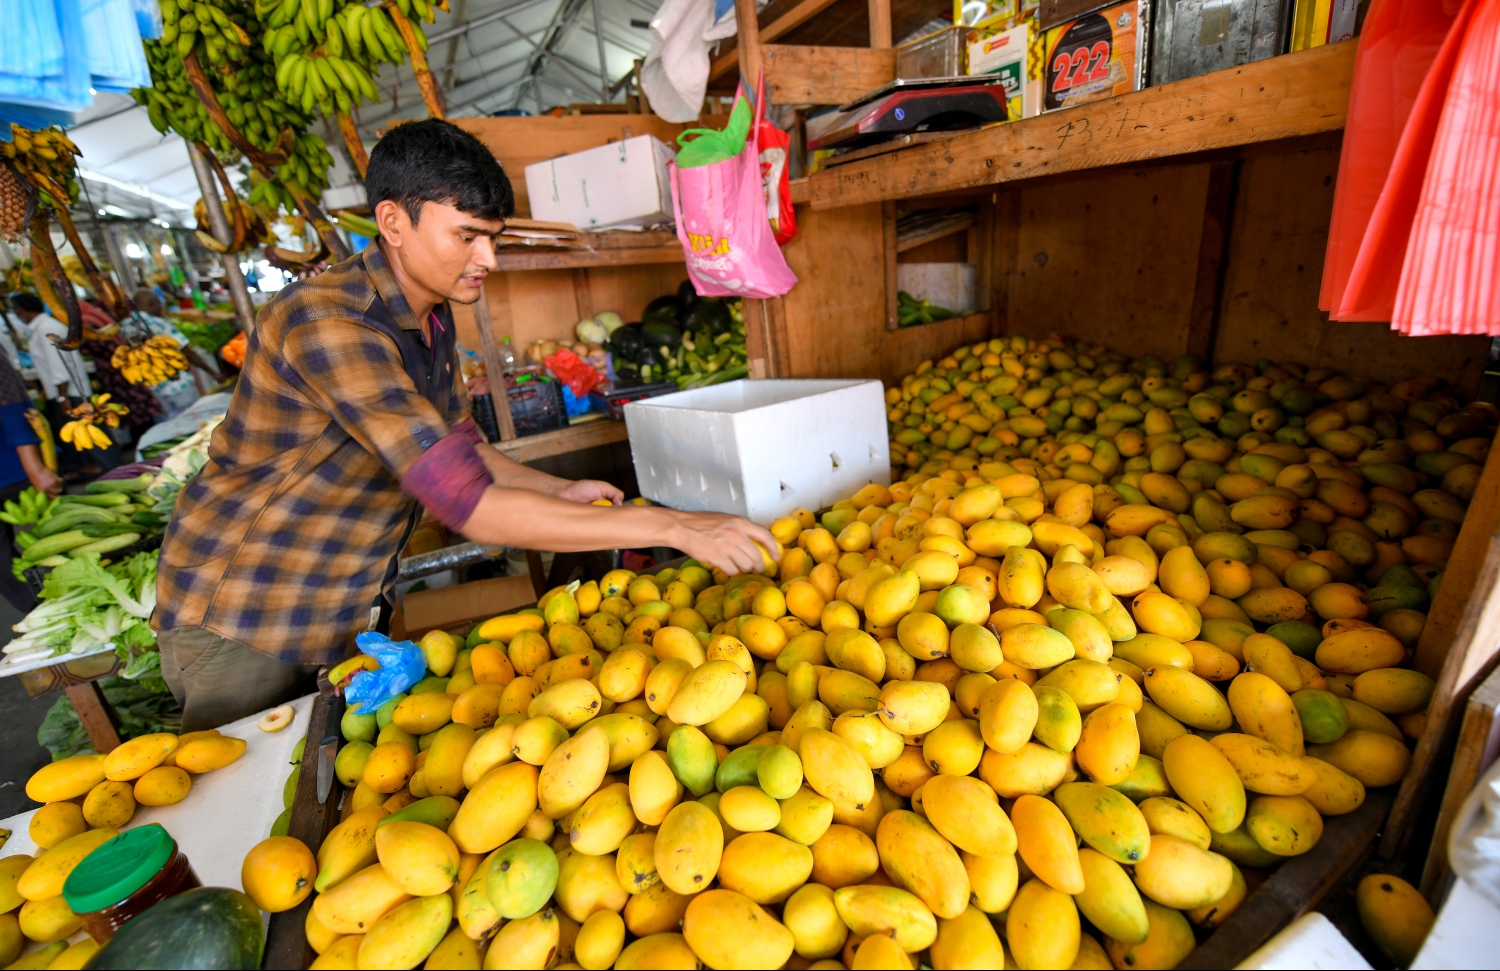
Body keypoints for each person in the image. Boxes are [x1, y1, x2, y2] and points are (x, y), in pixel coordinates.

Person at [153, 119, 778, 730]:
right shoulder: (329, 322)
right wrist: (672, 524)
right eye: (468, 236)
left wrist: (553, 489)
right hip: (243, 615)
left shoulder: (430, 312)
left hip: (338, 602)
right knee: (252, 799)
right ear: (394, 222)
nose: (489, 259)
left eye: (494, 239)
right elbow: (466, 504)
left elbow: (461, 445)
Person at [0, 354, 63, 613]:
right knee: (60, 531)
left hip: (12, 466)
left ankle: (46, 609)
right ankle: (49, 611)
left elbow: (9, 404)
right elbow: (10, 403)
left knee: (62, 536)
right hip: (13, 468)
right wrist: (35, 468)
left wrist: (35, 468)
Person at [8, 293, 94, 477]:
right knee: (77, 433)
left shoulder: (46, 329)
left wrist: (62, 397)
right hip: (64, 391)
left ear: (22, 311)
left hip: (69, 392)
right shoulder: (43, 327)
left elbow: (58, 365)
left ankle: (100, 467)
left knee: (86, 432)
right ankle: (88, 466)